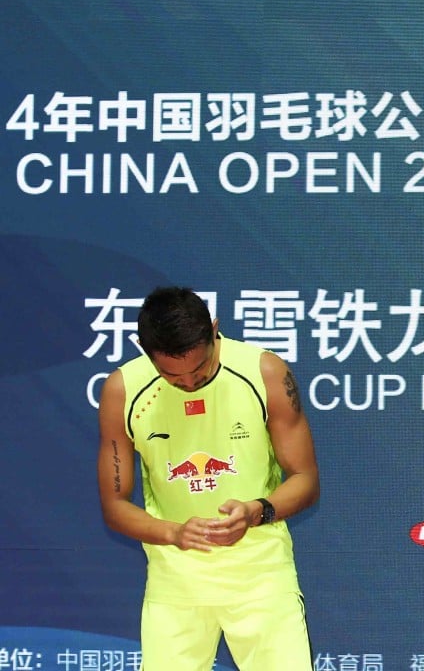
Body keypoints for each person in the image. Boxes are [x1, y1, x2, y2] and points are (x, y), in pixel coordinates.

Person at [97, 286, 320, 671]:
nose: (187, 383)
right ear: (143, 349)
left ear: (214, 330)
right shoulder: (122, 390)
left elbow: (305, 478)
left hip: (261, 577)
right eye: (171, 375)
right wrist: (174, 533)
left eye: (199, 371)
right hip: (175, 583)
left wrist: (257, 511)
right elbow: (115, 506)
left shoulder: (264, 372)